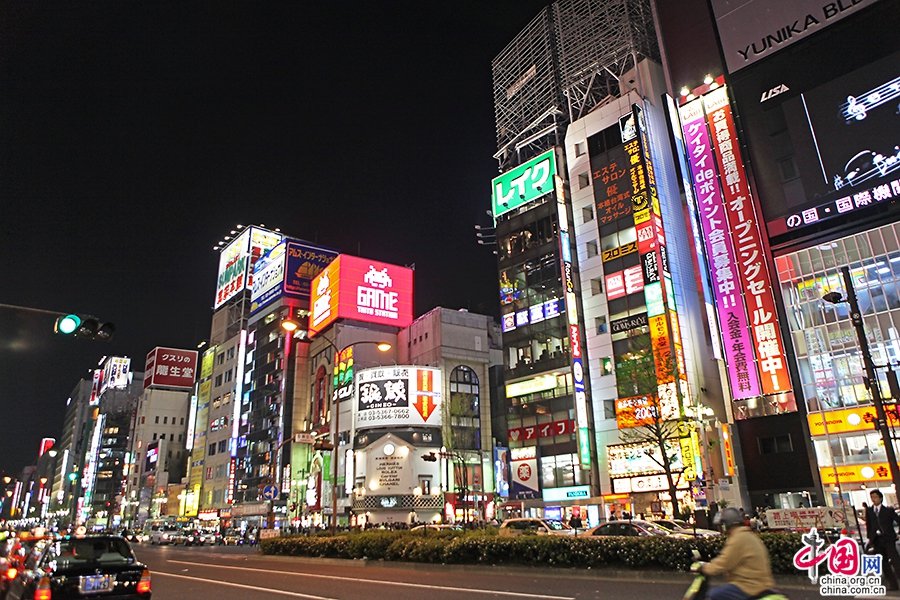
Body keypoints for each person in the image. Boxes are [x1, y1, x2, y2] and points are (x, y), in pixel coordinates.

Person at [695, 507, 776, 600]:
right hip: (760, 584)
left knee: (714, 594)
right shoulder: (748, 535)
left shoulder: (738, 538)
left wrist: (705, 569)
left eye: (723, 524)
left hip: (748, 586)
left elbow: (725, 561)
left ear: (727, 524)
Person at [865, 489, 900, 590]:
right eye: (872, 497)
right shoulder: (870, 511)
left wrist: (898, 534)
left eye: (875, 497)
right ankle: (893, 584)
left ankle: (898, 577)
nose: (873, 499)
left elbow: (898, 520)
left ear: (880, 498)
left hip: (888, 538)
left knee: (895, 560)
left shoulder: (888, 510)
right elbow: (869, 525)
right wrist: (870, 538)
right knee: (883, 562)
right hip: (877, 539)